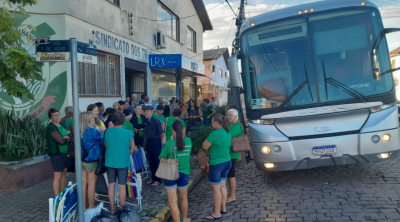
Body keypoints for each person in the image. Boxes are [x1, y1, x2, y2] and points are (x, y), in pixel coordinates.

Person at [104, 112, 137, 213]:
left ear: (112, 121)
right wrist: (126, 153)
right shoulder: (128, 133)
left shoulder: (106, 132)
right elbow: (133, 148)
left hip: (110, 161)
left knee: (111, 185)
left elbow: (105, 146)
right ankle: (122, 208)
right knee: (122, 186)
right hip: (123, 161)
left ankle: (112, 208)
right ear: (123, 121)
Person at [159, 121, 192, 222]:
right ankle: (185, 218)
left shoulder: (169, 143)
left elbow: (162, 159)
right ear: (182, 129)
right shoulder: (188, 141)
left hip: (171, 174)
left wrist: (171, 140)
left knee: (173, 201)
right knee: (183, 197)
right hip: (184, 173)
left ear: (172, 130)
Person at [202, 113, 232, 220]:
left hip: (216, 164)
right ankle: (223, 208)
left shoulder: (214, 134)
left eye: (212, 122)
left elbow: (204, 146)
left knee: (216, 189)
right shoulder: (227, 132)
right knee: (223, 186)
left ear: (216, 122)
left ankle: (217, 213)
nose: (211, 124)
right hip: (227, 161)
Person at [80, 112, 102, 210]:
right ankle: (91, 205)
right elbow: (102, 141)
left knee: (83, 184)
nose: (94, 120)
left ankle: (83, 206)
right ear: (89, 120)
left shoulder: (79, 131)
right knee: (92, 183)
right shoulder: (93, 131)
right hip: (92, 160)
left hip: (81, 160)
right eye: (93, 119)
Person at [46, 108, 71, 197]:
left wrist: (66, 137)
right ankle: (57, 197)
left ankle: (64, 194)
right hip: (56, 154)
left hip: (65, 153)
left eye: (58, 114)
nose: (57, 116)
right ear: (50, 117)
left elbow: (71, 135)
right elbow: (61, 141)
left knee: (64, 174)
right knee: (57, 176)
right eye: (54, 115)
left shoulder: (61, 124)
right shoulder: (51, 127)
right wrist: (66, 137)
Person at [143, 105, 164, 187]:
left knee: (156, 161)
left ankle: (158, 179)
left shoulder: (156, 121)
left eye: (149, 111)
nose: (147, 112)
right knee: (151, 161)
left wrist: (160, 143)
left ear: (152, 111)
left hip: (156, 142)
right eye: (146, 111)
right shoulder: (146, 121)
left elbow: (161, 133)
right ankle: (153, 178)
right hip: (149, 142)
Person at [226, 109, 242, 204]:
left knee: (231, 175)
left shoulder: (237, 126)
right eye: (227, 115)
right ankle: (230, 194)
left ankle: (232, 195)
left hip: (233, 153)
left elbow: (228, 136)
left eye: (231, 115)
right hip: (227, 153)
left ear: (236, 116)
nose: (228, 117)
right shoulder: (229, 125)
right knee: (228, 175)